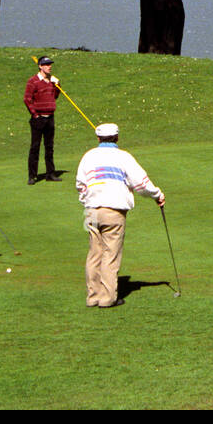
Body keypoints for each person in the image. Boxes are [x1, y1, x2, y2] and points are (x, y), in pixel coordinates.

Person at [75, 122, 165, 308]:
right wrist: (157, 195)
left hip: (91, 210)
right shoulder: (123, 157)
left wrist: (88, 201)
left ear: (98, 138)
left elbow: (81, 185)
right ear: (117, 138)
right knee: (110, 254)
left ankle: (93, 297)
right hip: (113, 210)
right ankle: (107, 299)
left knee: (94, 253)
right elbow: (141, 184)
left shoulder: (88, 156)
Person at [24, 55, 61, 184]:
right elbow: (27, 99)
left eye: (50, 64)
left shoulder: (51, 81)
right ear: (40, 66)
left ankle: (50, 174)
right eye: (46, 64)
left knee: (49, 147)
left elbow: (55, 96)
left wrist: (57, 85)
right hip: (38, 119)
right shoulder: (33, 81)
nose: (49, 66)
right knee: (35, 148)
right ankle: (32, 176)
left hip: (50, 117)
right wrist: (35, 115)